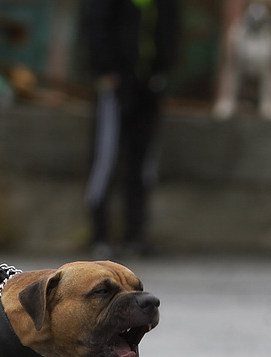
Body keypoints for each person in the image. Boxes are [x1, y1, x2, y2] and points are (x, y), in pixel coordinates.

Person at [81, 0, 180, 259]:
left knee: (143, 161)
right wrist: (104, 68)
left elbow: (170, 29)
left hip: (149, 86)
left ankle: (136, 234)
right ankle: (100, 234)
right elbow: (94, 23)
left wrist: (163, 68)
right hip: (116, 83)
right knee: (106, 157)